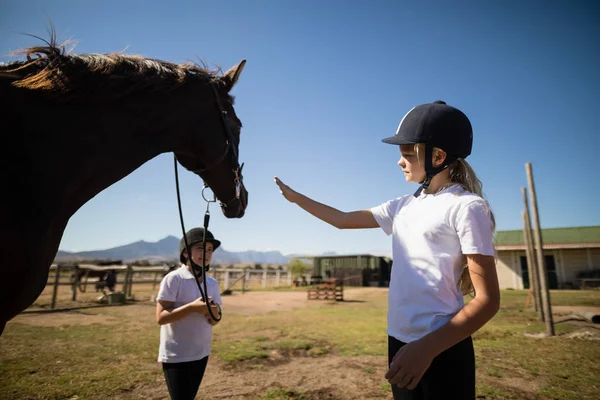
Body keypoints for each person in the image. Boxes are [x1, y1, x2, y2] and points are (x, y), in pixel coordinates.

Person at [274, 100, 500, 400]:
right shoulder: (402, 206)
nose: (400, 161)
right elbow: (342, 220)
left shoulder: (467, 207)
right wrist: (296, 198)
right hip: (398, 342)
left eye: (407, 154)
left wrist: (427, 349)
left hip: (442, 347)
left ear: (438, 156)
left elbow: (487, 301)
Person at [156, 227, 223, 400]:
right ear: (186, 253)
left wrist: (213, 311)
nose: (206, 253)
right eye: (200, 248)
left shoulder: (212, 283)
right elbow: (161, 318)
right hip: (176, 355)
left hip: (201, 353)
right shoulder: (174, 279)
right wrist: (192, 308)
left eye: (209, 250)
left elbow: (215, 321)